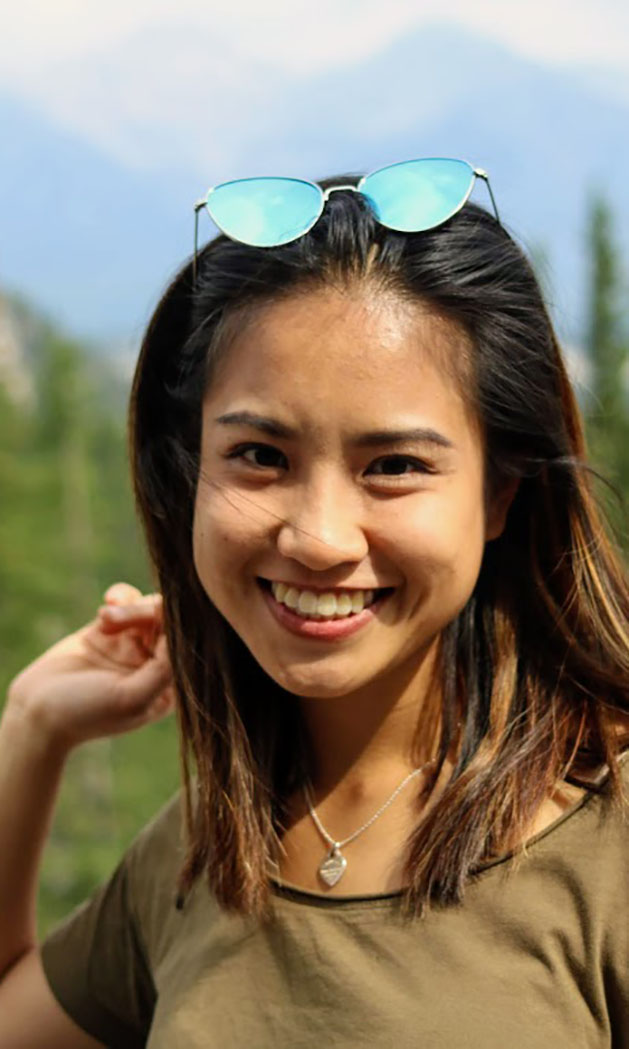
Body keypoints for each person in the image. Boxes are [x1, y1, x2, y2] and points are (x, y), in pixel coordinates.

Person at [0, 158, 628, 1048]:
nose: (319, 536)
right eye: (260, 455)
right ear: (189, 476)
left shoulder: (606, 837)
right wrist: (31, 730)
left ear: (500, 493)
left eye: (394, 466)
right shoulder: (208, 846)